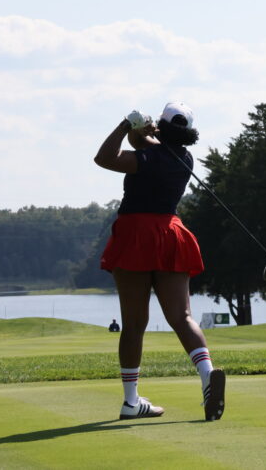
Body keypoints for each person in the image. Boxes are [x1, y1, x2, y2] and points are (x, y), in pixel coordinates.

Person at [95, 102, 225, 421]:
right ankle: (208, 375)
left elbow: (104, 158)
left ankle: (130, 401)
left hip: (135, 234)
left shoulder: (144, 158)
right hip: (171, 234)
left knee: (135, 323)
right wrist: (144, 133)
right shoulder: (184, 158)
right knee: (181, 316)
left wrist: (126, 124)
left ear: (162, 127)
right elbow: (149, 146)